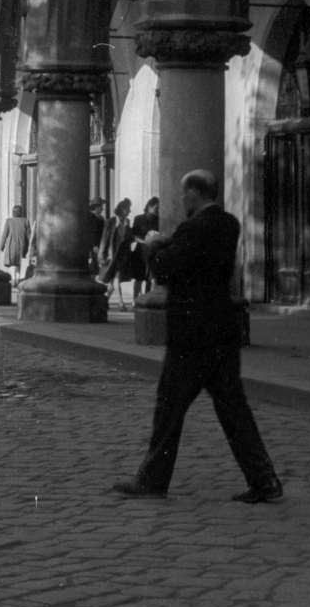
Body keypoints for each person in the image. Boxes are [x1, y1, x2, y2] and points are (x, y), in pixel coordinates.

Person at [113, 170, 283, 504]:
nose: (181, 200)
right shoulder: (228, 224)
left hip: (192, 335)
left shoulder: (194, 228)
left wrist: (152, 248)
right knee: (234, 409)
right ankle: (264, 479)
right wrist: (171, 243)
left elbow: (166, 268)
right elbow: (197, 259)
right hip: (222, 328)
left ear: (194, 193)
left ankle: (152, 479)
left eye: (183, 193)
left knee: (169, 409)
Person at [98, 198, 134, 310]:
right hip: (112, 255)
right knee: (116, 279)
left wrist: (127, 227)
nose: (130, 211)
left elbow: (128, 238)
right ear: (122, 209)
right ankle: (121, 303)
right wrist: (101, 255)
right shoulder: (111, 221)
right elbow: (105, 238)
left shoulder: (127, 222)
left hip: (122, 256)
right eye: (128, 209)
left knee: (114, 281)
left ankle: (104, 301)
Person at [129, 197, 160, 302]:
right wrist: (144, 242)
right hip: (140, 251)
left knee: (149, 279)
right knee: (139, 277)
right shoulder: (138, 218)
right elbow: (133, 235)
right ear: (149, 206)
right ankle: (135, 300)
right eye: (156, 208)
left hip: (153, 251)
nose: (158, 210)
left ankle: (145, 300)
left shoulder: (158, 220)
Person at [0, 204, 31, 289]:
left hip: (11, 244)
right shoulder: (26, 221)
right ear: (21, 212)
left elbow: (4, 234)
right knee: (18, 263)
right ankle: (17, 280)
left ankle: (13, 280)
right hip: (22, 244)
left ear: (13, 212)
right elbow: (29, 236)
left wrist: (1, 246)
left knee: (12, 263)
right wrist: (30, 248)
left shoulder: (9, 221)